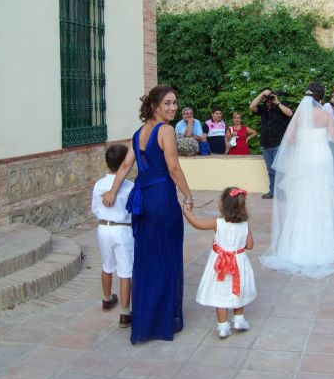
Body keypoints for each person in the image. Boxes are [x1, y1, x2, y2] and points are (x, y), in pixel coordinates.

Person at [102, 84, 194, 344]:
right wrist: (188, 195)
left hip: (142, 201)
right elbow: (174, 168)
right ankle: (163, 321)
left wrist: (112, 191)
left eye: (175, 103)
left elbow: (125, 166)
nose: (173, 108)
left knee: (146, 259)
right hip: (162, 199)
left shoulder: (138, 133)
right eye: (168, 103)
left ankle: (144, 320)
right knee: (167, 257)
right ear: (155, 106)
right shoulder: (165, 130)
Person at [260, 82, 334, 278]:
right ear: (321, 98)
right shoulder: (326, 114)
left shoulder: (299, 115)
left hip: (306, 159)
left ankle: (299, 242)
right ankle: (325, 241)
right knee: (323, 195)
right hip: (322, 158)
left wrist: (305, 143)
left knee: (303, 197)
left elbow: (290, 139)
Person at [183, 187, 256, 339]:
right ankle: (239, 320)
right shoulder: (245, 225)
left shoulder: (217, 223)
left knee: (221, 293)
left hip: (220, 265)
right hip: (239, 263)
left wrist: (187, 213)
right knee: (238, 290)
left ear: (223, 206)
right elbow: (249, 246)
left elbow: (197, 224)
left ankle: (223, 327)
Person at [91, 144, 134, 327]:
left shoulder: (99, 184)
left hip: (103, 228)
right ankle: (125, 313)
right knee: (125, 271)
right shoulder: (130, 186)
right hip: (122, 228)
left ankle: (107, 299)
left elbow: (94, 209)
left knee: (107, 265)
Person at [250, 89, 294, 199]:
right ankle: (272, 191)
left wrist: (277, 102)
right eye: (266, 97)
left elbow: (290, 113)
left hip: (279, 142)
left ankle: (281, 192)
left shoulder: (281, 105)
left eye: (269, 96)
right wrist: (261, 94)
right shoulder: (263, 108)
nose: (268, 99)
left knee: (279, 169)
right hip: (266, 143)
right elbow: (252, 107)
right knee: (270, 169)